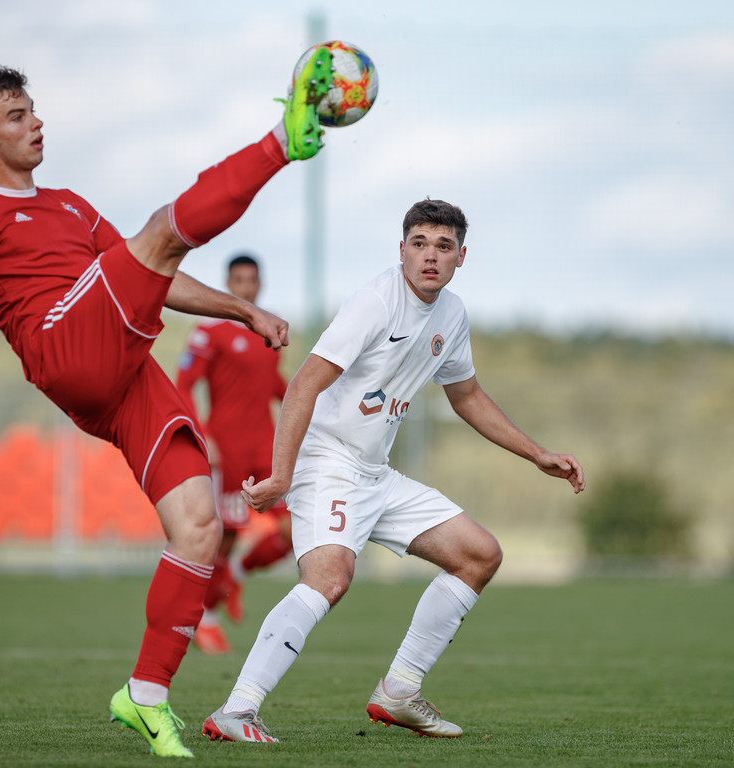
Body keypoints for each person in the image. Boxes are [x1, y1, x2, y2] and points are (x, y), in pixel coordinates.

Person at [0, 47, 336, 759]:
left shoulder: (71, 205)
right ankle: (282, 142)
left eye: (33, 109)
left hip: (120, 374)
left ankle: (144, 697)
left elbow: (154, 274)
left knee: (197, 526)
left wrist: (238, 311)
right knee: (160, 230)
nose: (35, 123)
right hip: (64, 345)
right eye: (16, 116)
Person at [201, 198, 586, 744]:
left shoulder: (451, 315)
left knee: (478, 555)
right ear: (401, 250)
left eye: (443, 246)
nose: (430, 256)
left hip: (374, 473)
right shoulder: (375, 302)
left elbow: (468, 395)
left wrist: (536, 453)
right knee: (329, 579)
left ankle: (399, 690)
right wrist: (282, 475)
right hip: (328, 461)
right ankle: (237, 711)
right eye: (420, 243)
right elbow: (303, 385)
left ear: (461, 257)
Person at [175, 253, 292, 654]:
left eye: (252, 280)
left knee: (294, 531)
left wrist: (311, 400)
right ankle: (205, 619)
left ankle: (237, 575)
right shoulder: (210, 332)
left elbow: (274, 384)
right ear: (228, 284)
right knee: (225, 537)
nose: (246, 286)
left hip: (268, 449)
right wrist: (202, 437)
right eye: (238, 279)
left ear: (260, 284)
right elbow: (183, 385)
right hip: (229, 450)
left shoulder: (270, 329)